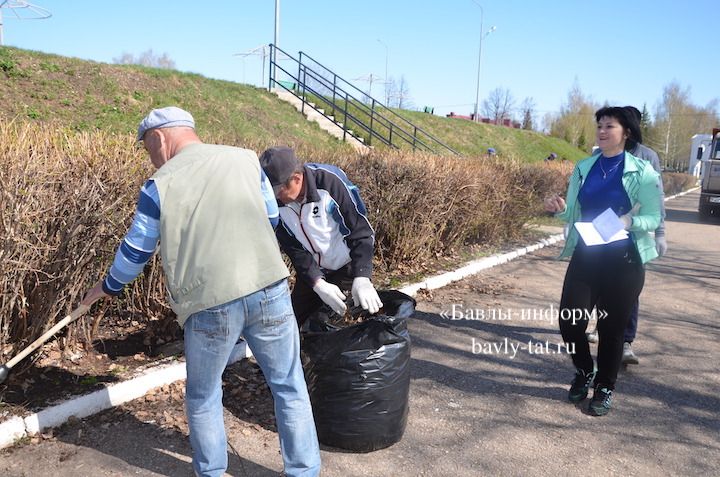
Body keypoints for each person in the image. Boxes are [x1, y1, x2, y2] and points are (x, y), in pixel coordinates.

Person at [80, 107, 320, 477]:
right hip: (268, 285)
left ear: (159, 137)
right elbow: (271, 217)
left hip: (209, 301)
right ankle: (303, 471)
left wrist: (109, 285)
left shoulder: (159, 185)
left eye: (148, 148)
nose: (151, 157)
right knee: (289, 385)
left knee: (204, 395)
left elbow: (137, 250)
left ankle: (211, 473)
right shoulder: (245, 161)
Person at [544, 106, 661, 416]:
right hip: (587, 254)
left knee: (611, 330)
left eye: (610, 126)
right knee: (570, 322)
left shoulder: (643, 171)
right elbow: (572, 212)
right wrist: (557, 208)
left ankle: (605, 386)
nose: (602, 130)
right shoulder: (585, 167)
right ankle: (585, 371)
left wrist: (627, 223)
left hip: (623, 260)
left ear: (626, 132)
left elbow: (654, 216)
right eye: (599, 125)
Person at [258, 146, 382, 327]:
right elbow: (293, 247)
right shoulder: (275, 203)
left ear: (296, 178)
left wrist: (362, 276)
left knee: (344, 325)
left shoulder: (330, 182)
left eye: (277, 190)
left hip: (346, 267)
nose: (274, 196)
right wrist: (317, 282)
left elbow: (360, 232)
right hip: (313, 269)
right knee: (294, 325)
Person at [586, 105, 667, 366]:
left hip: (632, 232)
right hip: (602, 230)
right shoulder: (601, 154)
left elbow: (657, 197)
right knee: (600, 285)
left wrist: (660, 233)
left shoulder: (647, 157)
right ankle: (602, 327)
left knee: (628, 292)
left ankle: (626, 342)